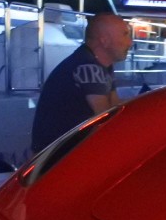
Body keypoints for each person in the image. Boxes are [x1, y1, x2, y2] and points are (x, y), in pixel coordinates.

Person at [30, 13, 132, 152]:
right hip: (61, 156)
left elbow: (114, 105)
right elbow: (105, 117)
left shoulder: (100, 64)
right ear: (105, 41)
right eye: (125, 35)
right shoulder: (88, 66)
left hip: (60, 151)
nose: (130, 43)